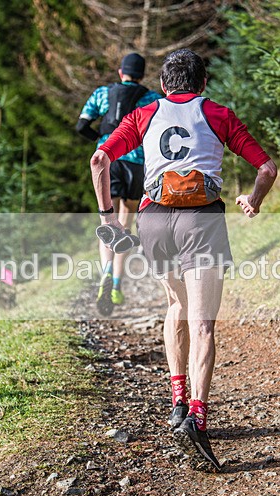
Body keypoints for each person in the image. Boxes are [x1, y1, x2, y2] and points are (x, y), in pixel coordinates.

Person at [89, 49, 278, 471]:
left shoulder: (144, 114)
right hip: (202, 220)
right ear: (203, 83)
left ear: (163, 84)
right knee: (203, 322)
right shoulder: (219, 114)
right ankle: (197, 417)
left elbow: (99, 159)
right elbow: (266, 169)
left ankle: (177, 401)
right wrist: (254, 199)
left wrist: (107, 217)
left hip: (154, 220)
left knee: (176, 304)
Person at [76, 52, 163, 316]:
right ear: (142, 74)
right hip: (136, 163)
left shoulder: (103, 94)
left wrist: (101, 139)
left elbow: (81, 126)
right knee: (125, 224)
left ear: (120, 72)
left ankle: (105, 270)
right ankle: (116, 283)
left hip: (108, 159)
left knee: (107, 222)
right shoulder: (151, 98)